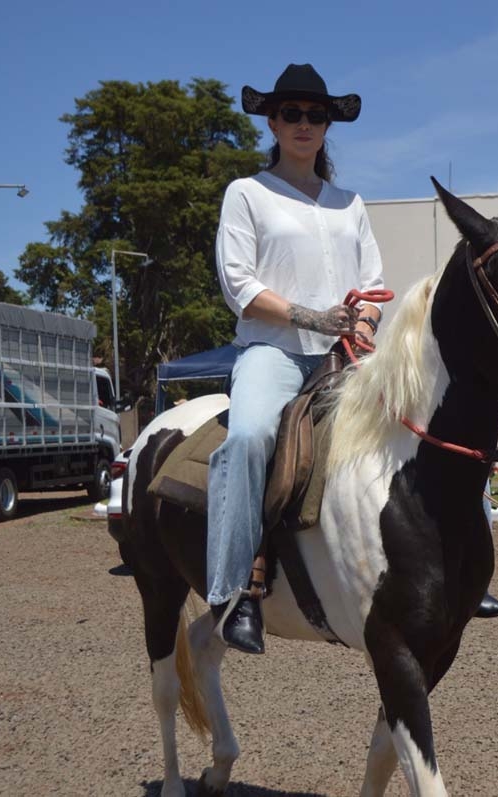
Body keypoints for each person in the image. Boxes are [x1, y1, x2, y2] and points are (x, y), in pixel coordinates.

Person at [208, 63, 383, 652]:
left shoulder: (350, 203)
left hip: (346, 352)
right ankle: (234, 592)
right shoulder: (247, 193)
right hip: (273, 352)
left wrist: (362, 325)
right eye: (291, 114)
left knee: (424, 414)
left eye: (315, 115)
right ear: (273, 123)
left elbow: (373, 284)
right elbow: (239, 285)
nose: (304, 123)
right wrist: (313, 319)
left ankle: (467, 566)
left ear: (328, 125)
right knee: (249, 437)